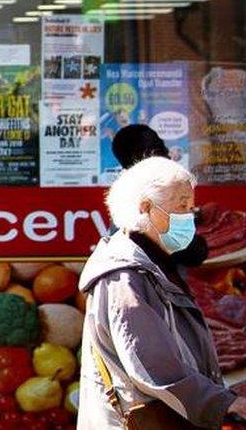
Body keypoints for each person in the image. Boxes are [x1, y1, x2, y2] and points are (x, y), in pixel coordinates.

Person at [78, 157, 246, 429]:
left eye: (191, 207)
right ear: (145, 208)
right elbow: (152, 364)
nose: (190, 217)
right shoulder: (126, 276)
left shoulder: (156, 265)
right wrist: (221, 403)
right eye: (182, 206)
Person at [111, 124, 209, 267]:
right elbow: (192, 252)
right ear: (141, 157)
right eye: (159, 149)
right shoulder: (140, 198)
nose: (167, 153)